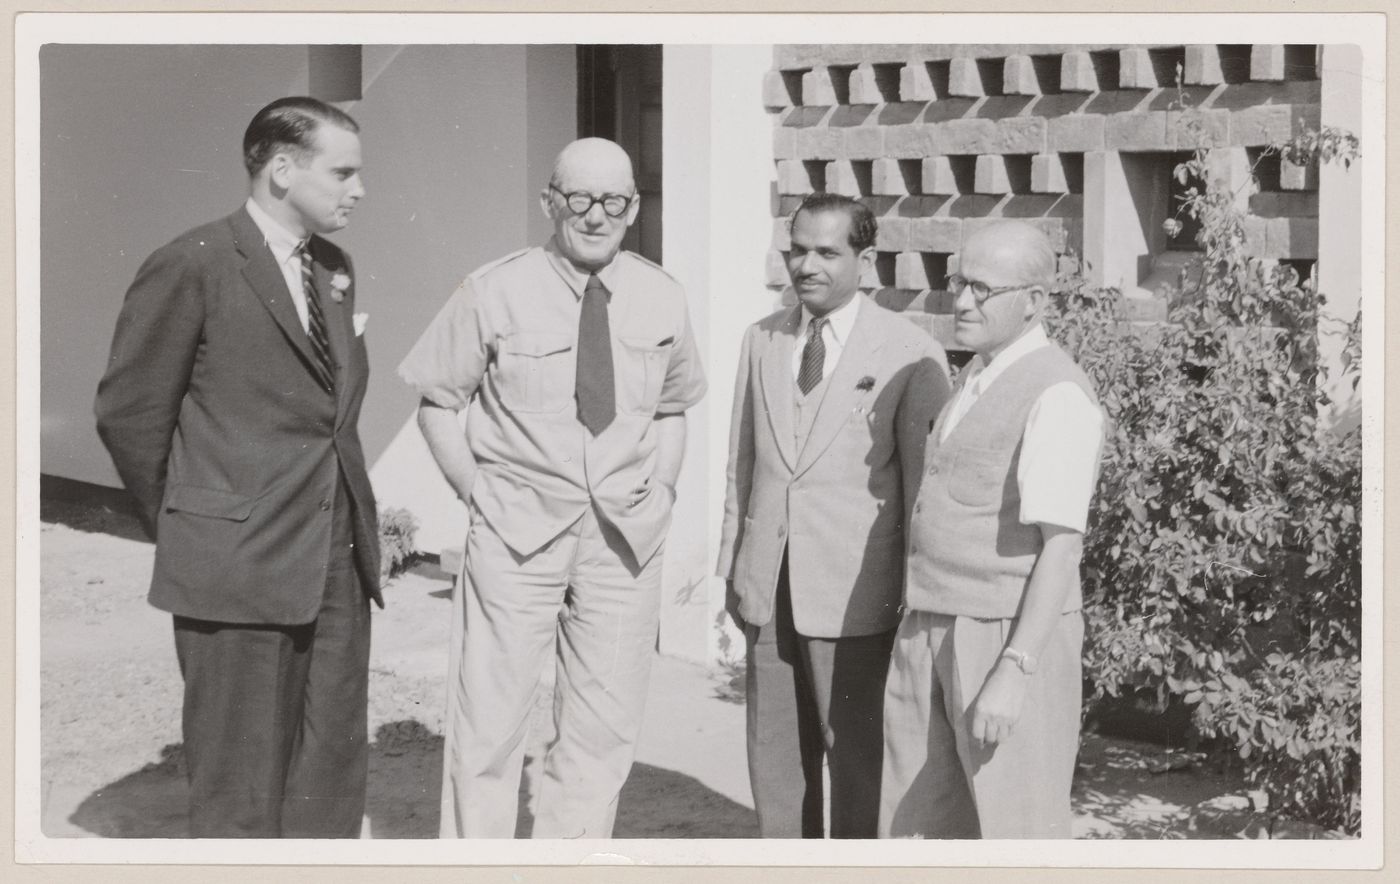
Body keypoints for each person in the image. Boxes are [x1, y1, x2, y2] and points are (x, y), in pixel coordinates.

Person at [398, 137, 707, 839]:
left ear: (633, 207)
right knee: (489, 728)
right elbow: (438, 403)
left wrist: (660, 491)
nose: (597, 216)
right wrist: (478, 494)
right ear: (550, 202)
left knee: (602, 732)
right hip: (516, 535)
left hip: (624, 540)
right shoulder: (493, 289)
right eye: (580, 198)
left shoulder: (663, 295)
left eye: (615, 201)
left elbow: (671, 409)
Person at [94, 97, 378, 838]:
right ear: (282, 169)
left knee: (328, 770)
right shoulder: (195, 262)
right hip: (237, 566)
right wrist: (199, 524)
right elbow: (130, 413)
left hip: (335, 558)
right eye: (343, 172)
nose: (358, 190)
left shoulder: (333, 268)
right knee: (240, 782)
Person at [716, 192, 950, 838]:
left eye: (826, 251)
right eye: (797, 250)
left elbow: (923, 492)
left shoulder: (910, 352)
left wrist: (914, 598)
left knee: (857, 765)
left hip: (857, 597)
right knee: (776, 763)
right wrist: (733, 565)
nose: (806, 266)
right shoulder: (761, 340)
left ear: (864, 259)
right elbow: (743, 462)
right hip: (768, 587)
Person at [880, 220, 1104, 839]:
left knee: (1016, 832)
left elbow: (1061, 549)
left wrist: (1016, 667)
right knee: (919, 828)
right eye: (958, 281)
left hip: (1003, 634)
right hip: (931, 622)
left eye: (983, 287)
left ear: (1034, 301)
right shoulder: (977, 374)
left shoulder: (1056, 394)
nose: (962, 299)